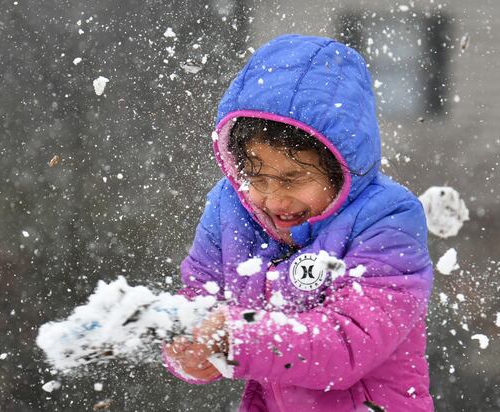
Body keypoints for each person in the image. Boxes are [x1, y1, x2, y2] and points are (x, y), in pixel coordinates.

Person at [163, 34, 434, 412]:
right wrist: (188, 346)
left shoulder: (387, 220)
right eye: (257, 178)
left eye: (292, 179)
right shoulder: (230, 209)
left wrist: (234, 336)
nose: (275, 199)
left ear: (342, 168)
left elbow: (345, 345)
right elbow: (199, 300)